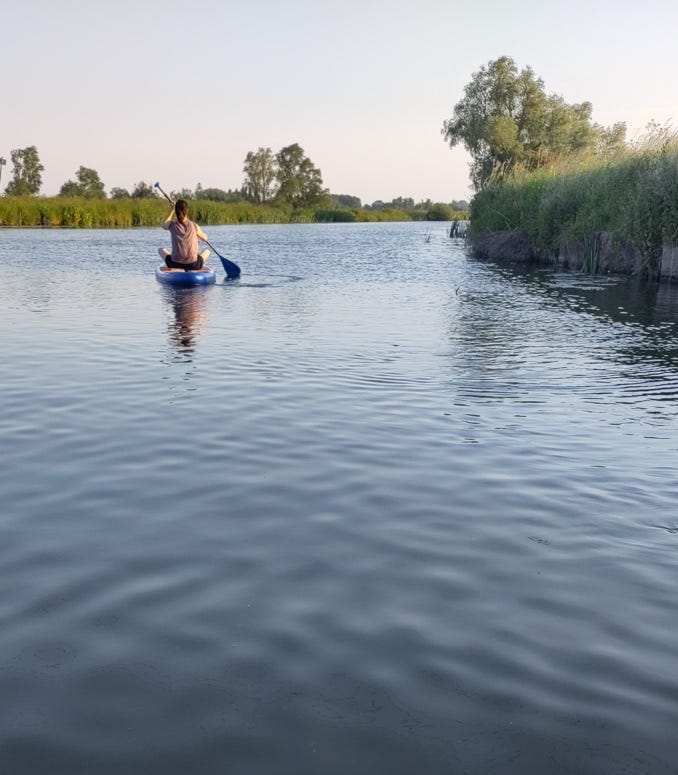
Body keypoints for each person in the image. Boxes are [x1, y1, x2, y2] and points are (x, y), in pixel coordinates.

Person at [158, 199, 210, 271]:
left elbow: (164, 225)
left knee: (161, 250)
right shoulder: (194, 226)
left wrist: (172, 210)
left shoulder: (172, 225)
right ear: (187, 211)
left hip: (174, 263)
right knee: (207, 251)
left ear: (176, 212)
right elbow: (205, 238)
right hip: (193, 264)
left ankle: (172, 267)